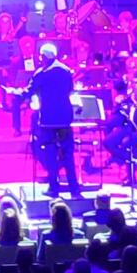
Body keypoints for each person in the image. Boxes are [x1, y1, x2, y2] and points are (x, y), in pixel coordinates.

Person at [26, 41, 81, 194]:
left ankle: (54, 186)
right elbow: (70, 89)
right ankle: (74, 187)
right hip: (65, 119)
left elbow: (29, 92)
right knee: (68, 154)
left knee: (49, 153)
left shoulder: (41, 73)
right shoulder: (65, 70)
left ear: (44, 57)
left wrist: (14, 92)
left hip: (49, 120)